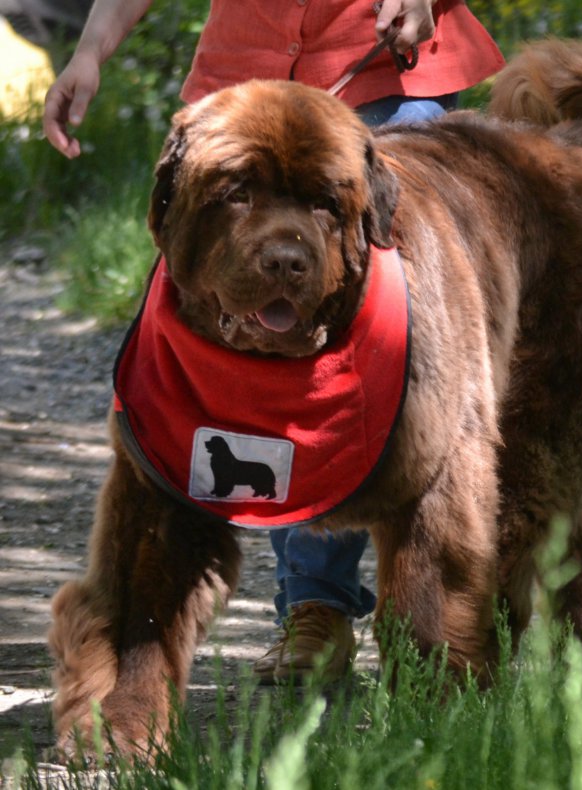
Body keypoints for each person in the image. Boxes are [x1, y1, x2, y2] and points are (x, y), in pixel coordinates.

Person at [43, 0, 504, 684]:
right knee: (251, 378)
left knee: (399, 367)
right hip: (242, 88)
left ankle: (426, 620)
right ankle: (314, 611)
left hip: (388, 82)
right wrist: (90, 49)